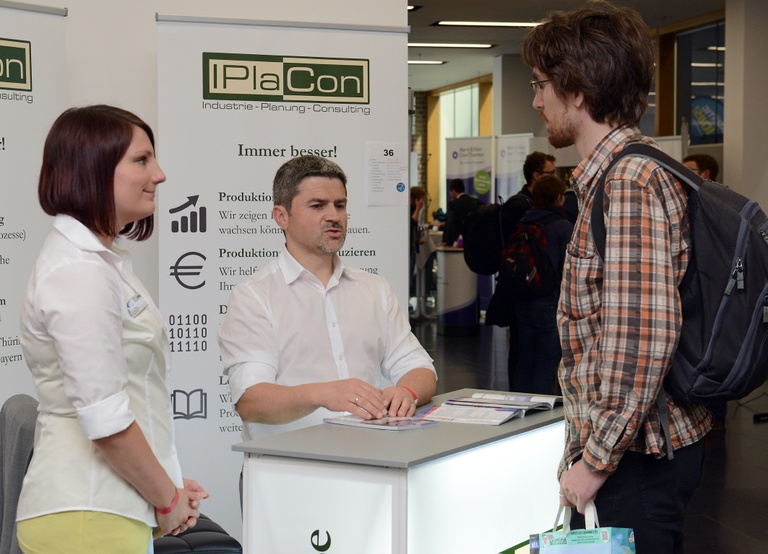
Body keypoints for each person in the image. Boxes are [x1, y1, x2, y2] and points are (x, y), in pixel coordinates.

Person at [522, 2, 712, 552]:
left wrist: (595, 462)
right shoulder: (634, 169)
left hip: (637, 461)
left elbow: (639, 338)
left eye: (541, 84)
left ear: (577, 91)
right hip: (642, 451)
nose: (536, 100)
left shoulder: (627, 181)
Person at [16, 105, 206, 553]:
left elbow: (129, 402)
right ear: (94, 169)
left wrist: (167, 482)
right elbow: (105, 419)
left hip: (101, 510)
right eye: (141, 160)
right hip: (86, 515)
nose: (158, 175)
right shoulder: (79, 271)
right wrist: (168, 499)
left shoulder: (100, 263)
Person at [217, 155, 437, 446]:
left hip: (372, 459)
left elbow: (419, 368)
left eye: (340, 205)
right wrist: (323, 394)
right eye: (318, 205)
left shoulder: (374, 289)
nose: (333, 215)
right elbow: (251, 400)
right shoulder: (255, 295)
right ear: (281, 216)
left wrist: (406, 391)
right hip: (289, 472)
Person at [510, 175, 573, 395]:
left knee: (524, 359)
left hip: (522, 298)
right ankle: (538, 416)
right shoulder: (562, 226)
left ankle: (519, 408)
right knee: (545, 363)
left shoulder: (524, 221)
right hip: (549, 302)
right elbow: (570, 267)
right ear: (558, 198)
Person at [441, 178, 483, 246]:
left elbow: (451, 223)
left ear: (453, 191)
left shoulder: (453, 204)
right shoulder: (478, 202)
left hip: (458, 242)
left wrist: (447, 241)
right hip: (476, 241)